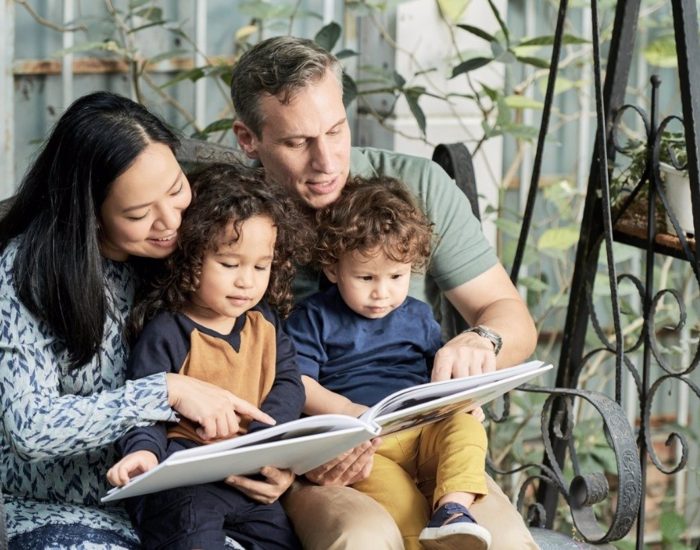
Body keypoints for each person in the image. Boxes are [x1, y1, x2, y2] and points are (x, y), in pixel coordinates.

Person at [230, 36, 540, 549]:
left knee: (501, 542)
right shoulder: (228, 219)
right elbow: (200, 359)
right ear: (248, 139)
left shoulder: (414, 186)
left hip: (425, 439)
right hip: (311, 455)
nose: (327, 161)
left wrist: (481, 342)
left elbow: (511, 319)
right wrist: (293, 452)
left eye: (336, 130)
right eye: (297, 142)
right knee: (366, 538)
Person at [0, 92, 286, 549]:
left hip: (176, 500)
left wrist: (275, 461)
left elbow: (257, 353)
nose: (171, 221)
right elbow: (31, 428)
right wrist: (165, 390)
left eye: (175, 190)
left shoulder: (187, 247)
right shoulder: (26, 274)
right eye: (137, 214)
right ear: (90, 214)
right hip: (59, 510)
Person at [107, 163, 309, 550]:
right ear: (190, 258)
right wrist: (144, 454)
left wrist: (266, 438)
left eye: (261, 266)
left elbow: (288, 383)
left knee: (283, 539)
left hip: (247, 478)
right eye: (229, 264)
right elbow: (144, 406)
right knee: (191, 534)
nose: (246, 281)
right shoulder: (167, 331)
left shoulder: (264, 322)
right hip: (182, 483)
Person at [285, 177, 492, 550]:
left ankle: (454, 510)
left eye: (396, 276)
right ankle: (426, 534)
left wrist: (465, 400)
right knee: (405, 508)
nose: (382, 292)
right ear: (333, 269)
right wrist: (346, 410)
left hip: (424, 426)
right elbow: (297, 382)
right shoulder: (314, 316)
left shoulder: (417, 315)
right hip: (366, 443)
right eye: (365, 278)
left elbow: (442, 374)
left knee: (467, 430)